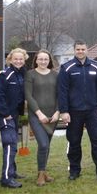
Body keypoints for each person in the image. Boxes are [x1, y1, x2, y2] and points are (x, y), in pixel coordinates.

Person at [58, 40, 97, 183]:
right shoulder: (66, 68)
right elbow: (62, 91)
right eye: (78, 49)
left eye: (83, 49)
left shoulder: (96, 66)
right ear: (74, 50)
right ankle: (74, 170)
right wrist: (64, 111)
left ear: (87, 50)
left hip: (93, 111)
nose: (80, 51)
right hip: (74, 112)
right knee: (74, 142)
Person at [0, 48, 28, 188]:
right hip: (5, 114)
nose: (18, 61)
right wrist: (5, 113)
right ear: (10, 60)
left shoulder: (23, 74)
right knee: (10, 144)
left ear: (24, 60)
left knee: (13, 143)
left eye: (21, 59)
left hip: (15, 114)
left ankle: (12, 172)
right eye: (15, 59)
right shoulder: (5, 74)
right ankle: (6, 178)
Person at [25, 50, 59, 186]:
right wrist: (39, 113)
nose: (43, 61)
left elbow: (59, 95)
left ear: (49, 61)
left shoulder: (56, 75)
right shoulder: (30, 74)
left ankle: (44, 172)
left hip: (52, 116)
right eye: (41, 59)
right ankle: (40, 174)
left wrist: (57, 112)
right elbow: (28, 95)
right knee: (43, 144)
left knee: (47, 145)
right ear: (36, 60)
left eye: (46, 59)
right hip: (37, 115)